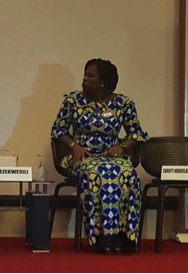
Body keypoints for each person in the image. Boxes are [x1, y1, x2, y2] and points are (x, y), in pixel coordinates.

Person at [51, 58, 149, 254]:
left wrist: (122, 146)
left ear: (103, 82)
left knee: (128, 173)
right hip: (82, 158)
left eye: (90, 75)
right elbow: (58, 130)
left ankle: (126, 236)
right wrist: (74, 145)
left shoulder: (124, 103)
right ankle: (101, 236)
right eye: (85, 75)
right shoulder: (72, 100)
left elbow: (137, 134)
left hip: (113, 157)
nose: (84, 79)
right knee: (96, 173)